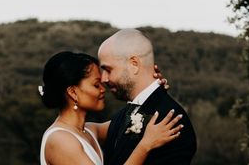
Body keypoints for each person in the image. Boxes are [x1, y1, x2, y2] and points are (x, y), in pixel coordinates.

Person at [39, 51, 183, 165]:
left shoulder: (88, 130)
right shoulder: (60, 140)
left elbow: (133, 121)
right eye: (96, 85)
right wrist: (145, 146)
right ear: (73, 92)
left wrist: (150, 90)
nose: (103, 89)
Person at [98, 29, 197, 164]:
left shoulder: (169, 121)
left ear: (134, 64)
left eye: (108, 70)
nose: (103, 79)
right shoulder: (122, 115)